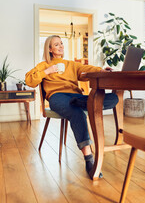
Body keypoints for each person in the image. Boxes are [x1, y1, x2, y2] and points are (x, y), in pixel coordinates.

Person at [25, 35, 118, 178]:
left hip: (75, 96)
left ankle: (81, 102)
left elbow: (87, 69)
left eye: (61, 43)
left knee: (114, 98)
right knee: (77, 113)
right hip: (57, 97)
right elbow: (29, 80)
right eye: (56, 44)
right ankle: (89, 160)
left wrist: (101, 70)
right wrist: (47, 72)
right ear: (49, 49)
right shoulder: (43, 65)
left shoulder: (71, 64)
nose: (61, 46)